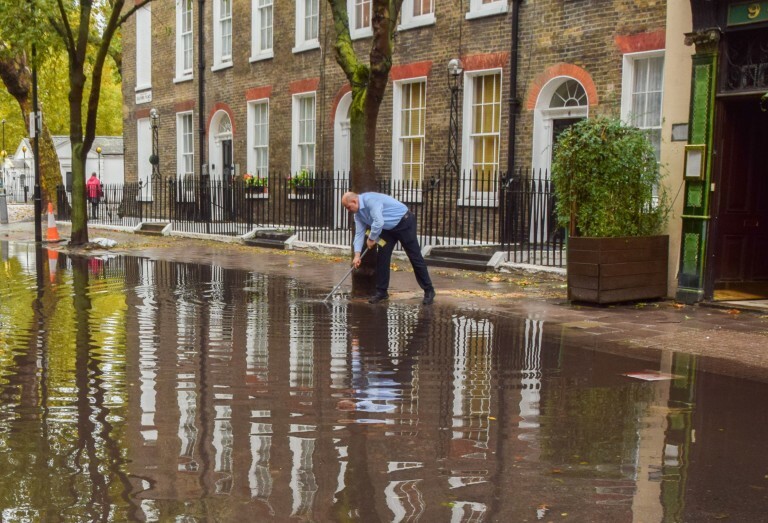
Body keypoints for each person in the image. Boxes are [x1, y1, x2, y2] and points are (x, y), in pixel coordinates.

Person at [341, 191, 435, 305]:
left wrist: (371, 238)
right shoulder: (358, 215)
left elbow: (378, 222)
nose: (348, 210)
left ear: (354, 201)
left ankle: (429, 290)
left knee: (414, 256)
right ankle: (382, 292)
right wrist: (357, 255)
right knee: (382, 258)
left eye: (348, 207)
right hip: (387, 229)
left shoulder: (371, 200)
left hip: (404, 222)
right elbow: (359, 234)